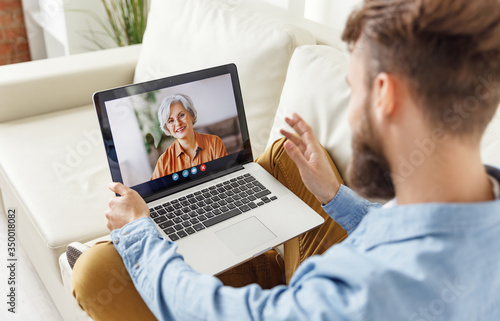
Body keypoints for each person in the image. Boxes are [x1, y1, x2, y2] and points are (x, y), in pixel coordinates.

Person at [71, 0, 500, 320]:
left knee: (94, 273)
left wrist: (142, 234)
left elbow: (220, 313)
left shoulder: (352, 290)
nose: (351, 113)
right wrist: (335, 195)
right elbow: (403, 231)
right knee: (281, 158)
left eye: (354, 88)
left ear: (385, 95)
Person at [150, 93, 228, 180]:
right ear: (167, 128)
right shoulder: (164, 161)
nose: (178, 123)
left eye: (181, 115)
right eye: (171, 121)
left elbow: (224, 176)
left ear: (192, 115)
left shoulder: (214, 143)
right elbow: (154, 190)